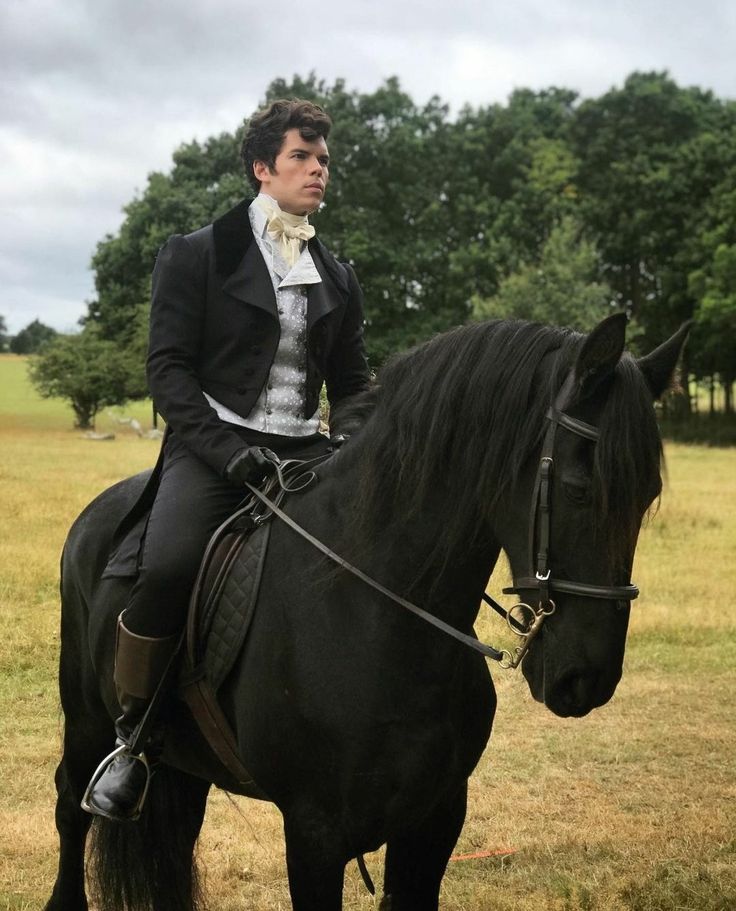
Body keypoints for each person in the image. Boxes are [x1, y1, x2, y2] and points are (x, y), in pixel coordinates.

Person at [82, 99, 370, 821]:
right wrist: (227, 450)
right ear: (262, 167)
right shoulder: (197, 252)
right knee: (171, 562)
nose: (318, 170)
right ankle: (133, 736)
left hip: (307, 450)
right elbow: (170, 373)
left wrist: (360, 441)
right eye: (303, 157)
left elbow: (355, 385)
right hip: (214, 449)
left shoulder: (337, 273)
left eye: (324, 160)